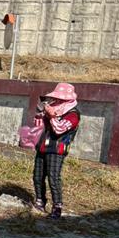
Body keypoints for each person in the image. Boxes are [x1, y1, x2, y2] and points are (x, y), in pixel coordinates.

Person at [32, 82, 80, 219]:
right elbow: (38, 124)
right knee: (37, 175)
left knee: (53, 178)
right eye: (57, 98)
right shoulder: (52, 108)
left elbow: (59, 129)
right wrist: (41, 113)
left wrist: (52, 116)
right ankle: (40, 201)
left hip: (57, 149)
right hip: (43, 146)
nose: (57, 101)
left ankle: (57, 206)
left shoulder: (73, 115)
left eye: (61, 99)